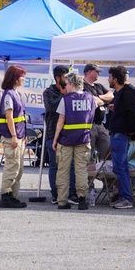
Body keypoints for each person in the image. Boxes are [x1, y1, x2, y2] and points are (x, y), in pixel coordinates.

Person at [52, 70, 94, 210]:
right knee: (81, 170)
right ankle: (82, 199)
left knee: (63, 170)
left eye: (67, 84)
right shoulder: (90, 98)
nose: (65, 87)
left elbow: (60, 120)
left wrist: (55, 139)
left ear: (72, 84)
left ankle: (62, 201)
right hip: (83, 138)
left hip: (66, 139)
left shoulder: (66, 100)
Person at [107, 65, 135, 210]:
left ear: (115, 79)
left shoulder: (127, 93)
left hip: (121, 134)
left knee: (120, 167)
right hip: (118, 133)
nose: (108, 79)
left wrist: (132, 129)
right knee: (121, 167)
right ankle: (124, 195)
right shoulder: (120, 93)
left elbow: (133, 112)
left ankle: (126, 198)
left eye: (109, 77)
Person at [0, 64, 28, 209]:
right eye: (22, 76)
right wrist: (15, 136)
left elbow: (20, 118)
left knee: (19, 168)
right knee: (12, 166)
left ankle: (13, 196)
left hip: (19, 136)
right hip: (12, 136)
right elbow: (9, 116)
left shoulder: (16, 94)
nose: (23, 79)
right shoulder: (9, 95)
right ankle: (6, 195)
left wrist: (23, 135)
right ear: (15, 78)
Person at [43, 65, 69, 205]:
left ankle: (69, 193)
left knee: (68, 166)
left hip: (68, 135)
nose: (67, 80)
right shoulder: (48, 92)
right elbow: (51, 107)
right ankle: (55, 194)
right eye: (65, 77)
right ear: (58, 78)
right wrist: (62, 95)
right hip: (52, 134)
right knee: (54, 165)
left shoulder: (70, 90)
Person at [82, 64, 112, 161]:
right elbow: (89, 98)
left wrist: (98, 97)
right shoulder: (82, 85)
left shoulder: (99, 86)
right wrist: (103, 99)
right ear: (89, 72)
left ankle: (103, 174)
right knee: (88, 154)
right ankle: (87, 175)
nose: (99, 73)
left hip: (101, 125)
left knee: (107, 151)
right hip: (89, 125)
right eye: (97, 71)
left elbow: (111, 95)